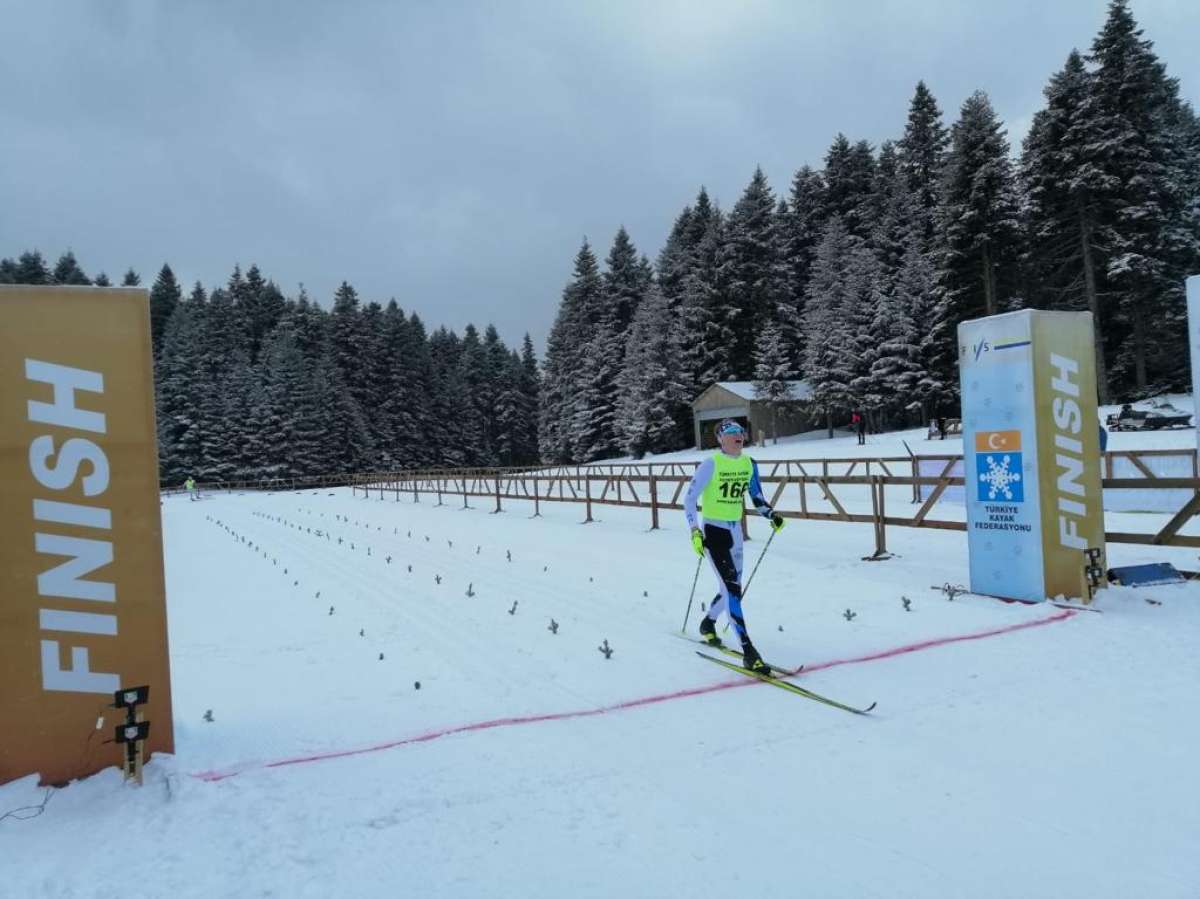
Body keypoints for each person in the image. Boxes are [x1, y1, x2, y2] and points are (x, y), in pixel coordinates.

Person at [684, 418, 786, 673]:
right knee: (731, 589)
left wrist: (771, 514)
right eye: (730, 432)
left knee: (733, 589)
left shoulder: (749, 464)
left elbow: (757, 496)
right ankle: (749, 651)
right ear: (720, 439)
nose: (737, 435)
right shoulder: (711, 464)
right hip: (714, 532)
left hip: (735, 532)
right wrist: (695, 531)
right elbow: (689, 499)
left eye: (740, 431)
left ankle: (708, 623)